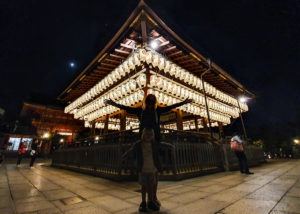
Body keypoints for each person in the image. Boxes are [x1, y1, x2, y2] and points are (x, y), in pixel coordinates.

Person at [105, 94, 192, 212]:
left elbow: (171, 107)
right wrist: (113, 103)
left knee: (154, 172)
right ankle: (145, 201)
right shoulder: (140, 111)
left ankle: (153, 198)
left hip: (155, 141)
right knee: (144, 170)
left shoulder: (158, 111)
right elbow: (126, 108)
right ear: (146, 102)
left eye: (152, 101)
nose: (151, 103)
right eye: (149, 101)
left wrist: (184, 102)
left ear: (155, 102)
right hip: (143, 141)